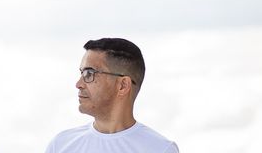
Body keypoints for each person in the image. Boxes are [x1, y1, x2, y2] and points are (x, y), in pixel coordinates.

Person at [45, 37, 178, 153]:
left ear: (123, 85)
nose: (78, 84)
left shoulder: (160, 149)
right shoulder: (61, 146)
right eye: (81, 73)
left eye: (89, 73)